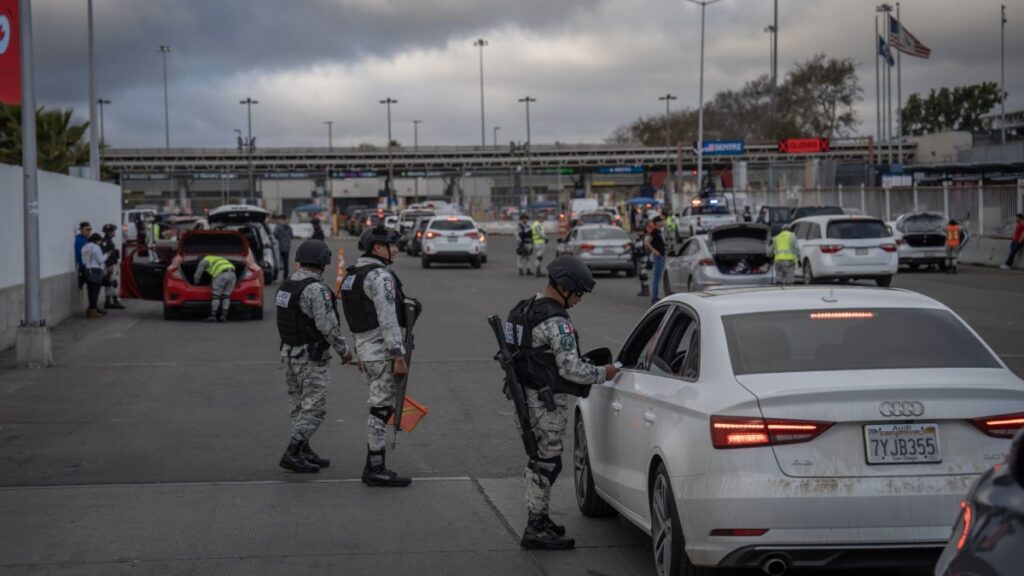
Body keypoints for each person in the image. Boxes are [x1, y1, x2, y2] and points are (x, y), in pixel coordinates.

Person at [505, 255, 619, 549]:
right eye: (578, 293)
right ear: (565, 287)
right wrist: (604, 373)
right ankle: (535, 527)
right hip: (545, 404)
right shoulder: (556, 321)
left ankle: (540, 519)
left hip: (524, 398)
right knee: (547, 464)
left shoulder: (523, 309)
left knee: (540, 460)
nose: (579, 300)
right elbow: (570, 368)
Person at [339, 225, 413, 487]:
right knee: (380, 411)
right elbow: (387, 318)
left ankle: (374, 466)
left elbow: (354, 317)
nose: (396, 249)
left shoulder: (352, 275)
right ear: (378, 247)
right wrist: (398, 355)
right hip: (383, 353)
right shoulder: (380, 276)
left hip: (366, 351)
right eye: (392, 245)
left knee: (380, 407)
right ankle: (375, 468)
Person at [275, 239, 351, 473]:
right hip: (310, 357)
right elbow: (328, 326)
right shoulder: (315, 289)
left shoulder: (287, 285)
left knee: (299, 405)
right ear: (323, 261)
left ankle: (303, 449)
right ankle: (292, 451)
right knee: (315, 408)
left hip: (290, 353)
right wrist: (344, 351)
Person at [193, 254, 238, 322]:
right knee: (226, 296)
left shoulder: (203, 261)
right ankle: (224, 316)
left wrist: (196, 283)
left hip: (222, 275)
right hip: (233, 275)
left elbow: (198, 273)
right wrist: (213, 283)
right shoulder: (217, 258)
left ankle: (213, 316)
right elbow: (215, 274)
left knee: (216, 296)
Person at [81, 233, 107, 319]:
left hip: (87, 270)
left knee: (90, 291)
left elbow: (83, 260)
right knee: (95, 291)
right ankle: (93, 311)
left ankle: (90, 310)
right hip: (95, 270)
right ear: (96, 240)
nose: (100, 242)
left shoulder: (84, 247)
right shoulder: (96, 247)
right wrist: (107, 255)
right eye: (99, 241)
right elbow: (101, 260)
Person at [100, 224, 125, 310]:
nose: (114, 233)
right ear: (109, 232)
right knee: (114, 282)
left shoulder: (108, 241)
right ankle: (115, 300)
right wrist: (109, 265)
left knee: (108, 283)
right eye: (113, 231)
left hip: (110, 264)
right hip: (110, 265)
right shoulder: (105, 242)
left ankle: (107, 301)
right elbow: (106, 254)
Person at [645, 216, 667, 304]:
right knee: (656, 277)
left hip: (662, 255)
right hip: (658, 256)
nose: (662, 222)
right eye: (661, 221)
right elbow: (647, 242)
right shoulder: (654, 231)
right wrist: (654, 251)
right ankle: (655, 297)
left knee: (659, 277)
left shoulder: (660, 231)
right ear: (657, 222)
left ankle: (657, 296)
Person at [74, 222, 92, 290]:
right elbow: (78, 254)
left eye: (90, 229)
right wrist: (83, 265)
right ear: (81, 230)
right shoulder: (80, 240)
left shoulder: (86, 240)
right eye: (87, 229)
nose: (89, 231)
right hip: (84, 268)